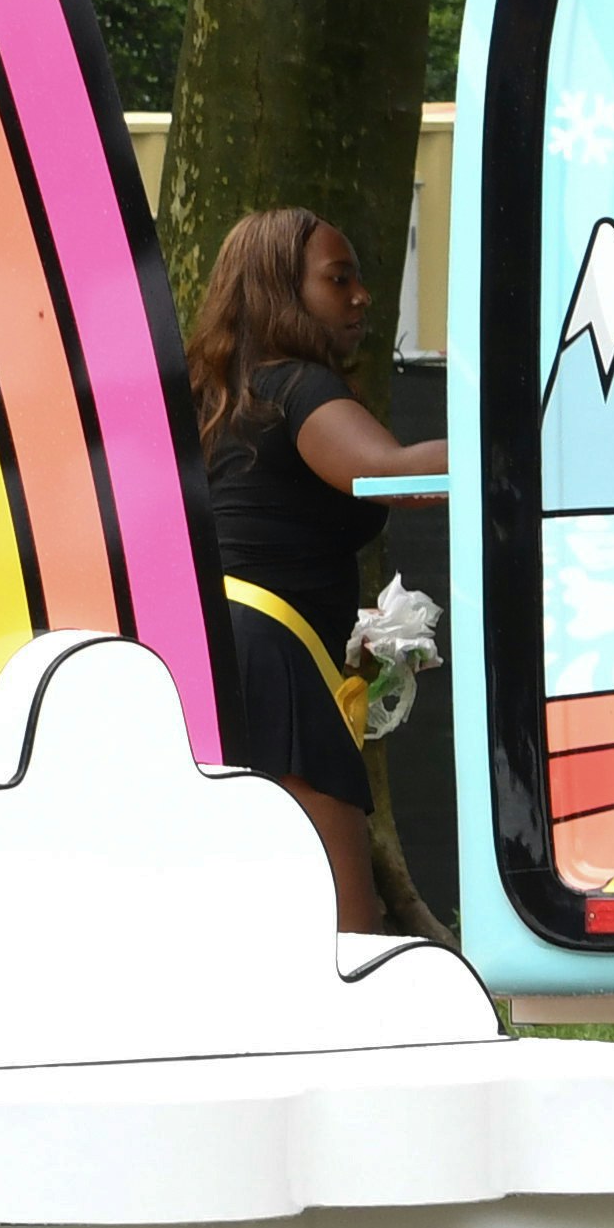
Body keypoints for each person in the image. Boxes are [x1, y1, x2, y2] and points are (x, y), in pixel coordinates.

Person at [184, 205, 448, 930]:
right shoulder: (301, 387)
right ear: (282, 290)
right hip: (274, 664)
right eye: (339, 279)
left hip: (210, 651)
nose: (362, 296)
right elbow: (389, 475)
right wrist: (511, 439)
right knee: (345, 925)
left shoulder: (217, 394)